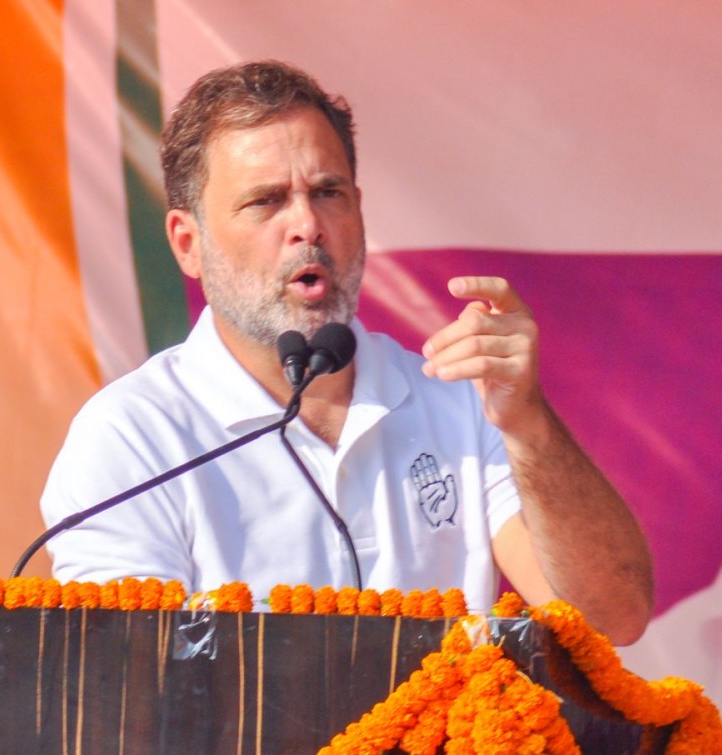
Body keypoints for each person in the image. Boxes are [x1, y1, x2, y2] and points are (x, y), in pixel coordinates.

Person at [41, 60, 653, 645]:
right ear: (187, 244)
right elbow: (132, 698)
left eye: (328, 193)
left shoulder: (460, 403)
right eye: (267, 201)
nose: (307, 224)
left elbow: (612, 621)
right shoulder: (131, 439)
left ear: (359, 211)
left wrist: (528, 425)